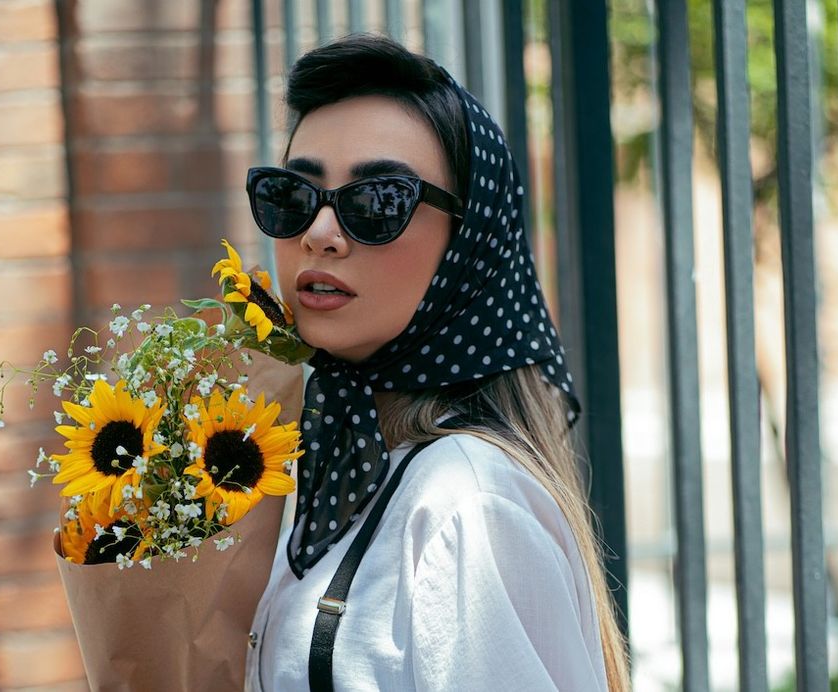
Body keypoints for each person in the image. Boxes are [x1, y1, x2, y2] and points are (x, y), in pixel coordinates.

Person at [244, 34, 629, 691]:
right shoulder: (342, 471)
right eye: (294, 195)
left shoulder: (466, 504)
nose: (319, 234)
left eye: (378, 202)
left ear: (467, 247)